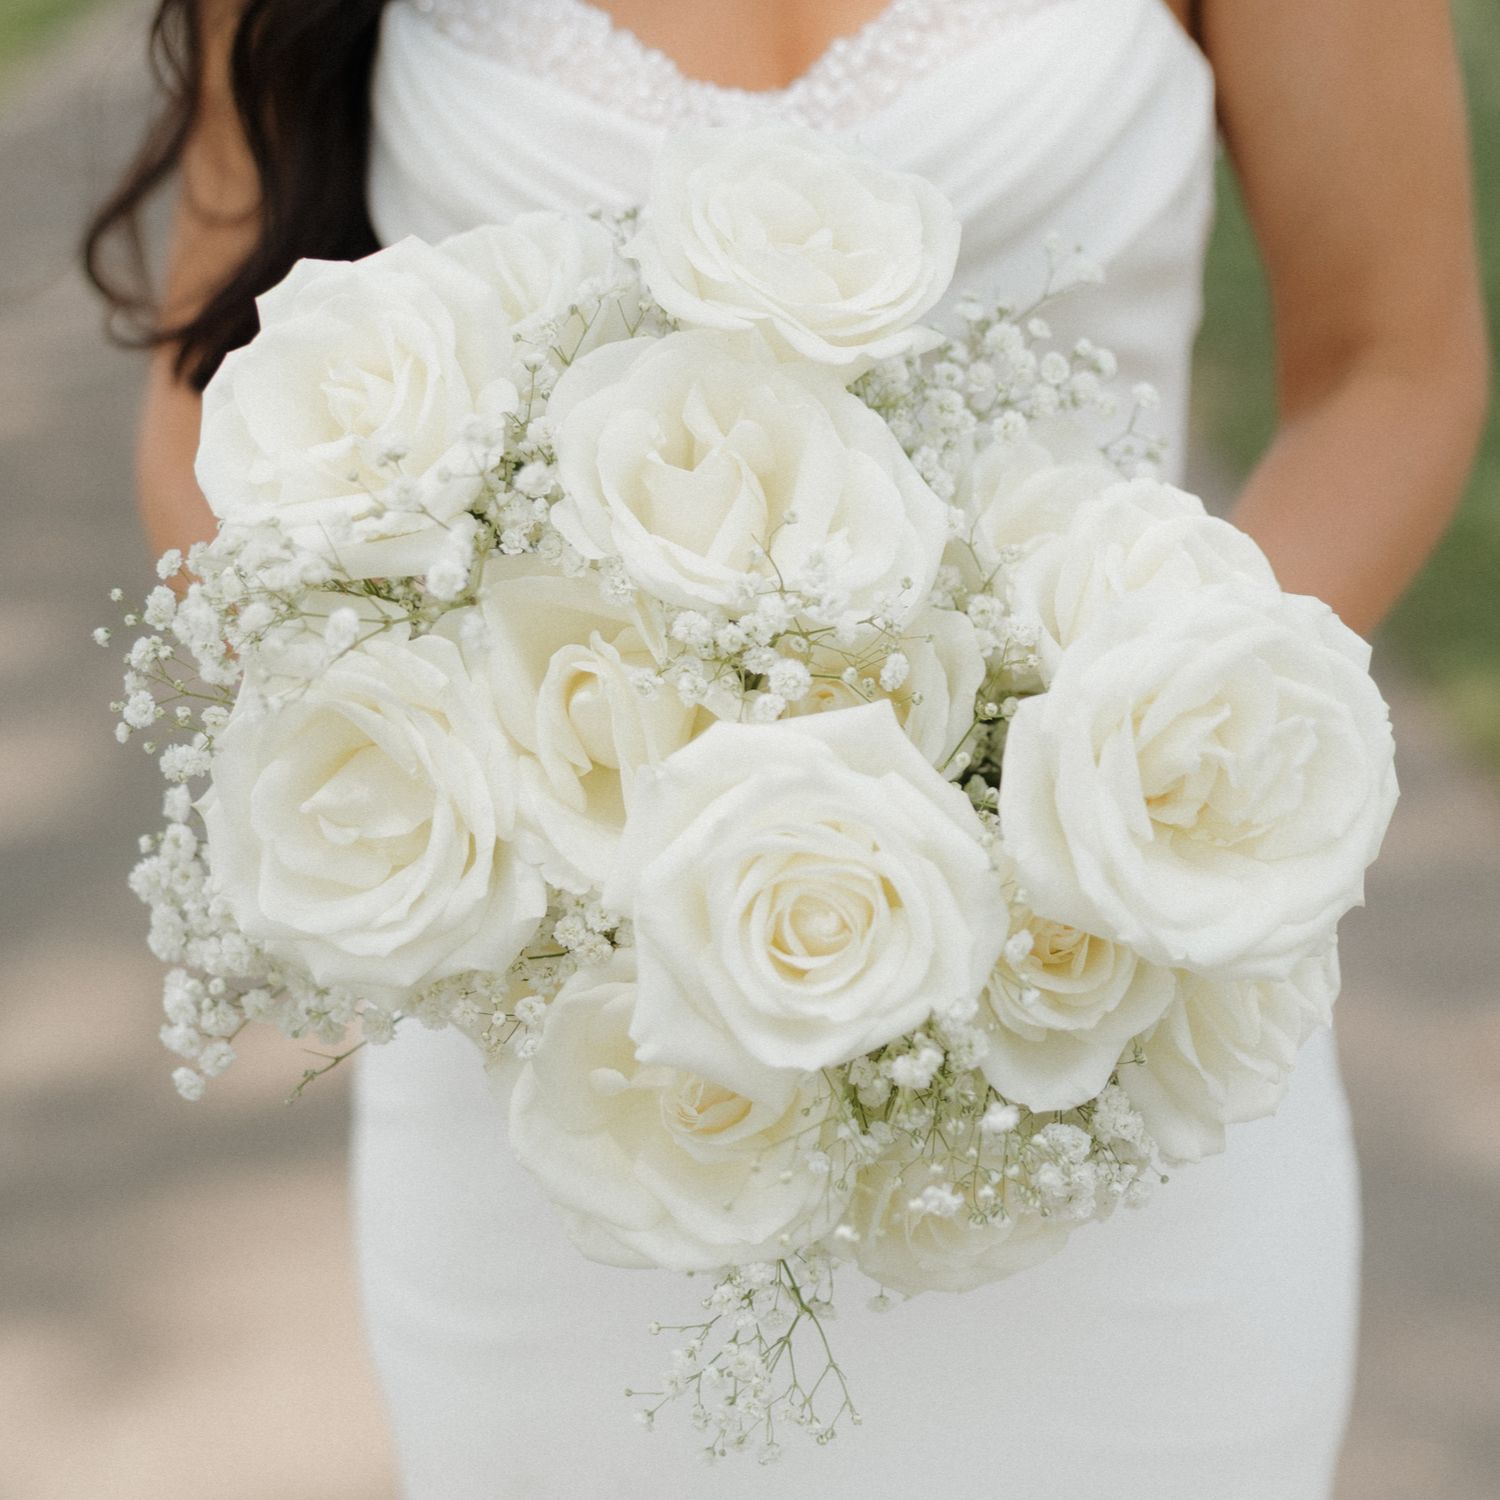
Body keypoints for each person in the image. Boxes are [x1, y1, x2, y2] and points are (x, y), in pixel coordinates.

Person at [84, 1, 1489, 1495]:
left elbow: (1390, 367)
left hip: (1095, 1017)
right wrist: (422, 752)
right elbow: (214, 384)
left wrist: (1105, 788)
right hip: (587, 1091)